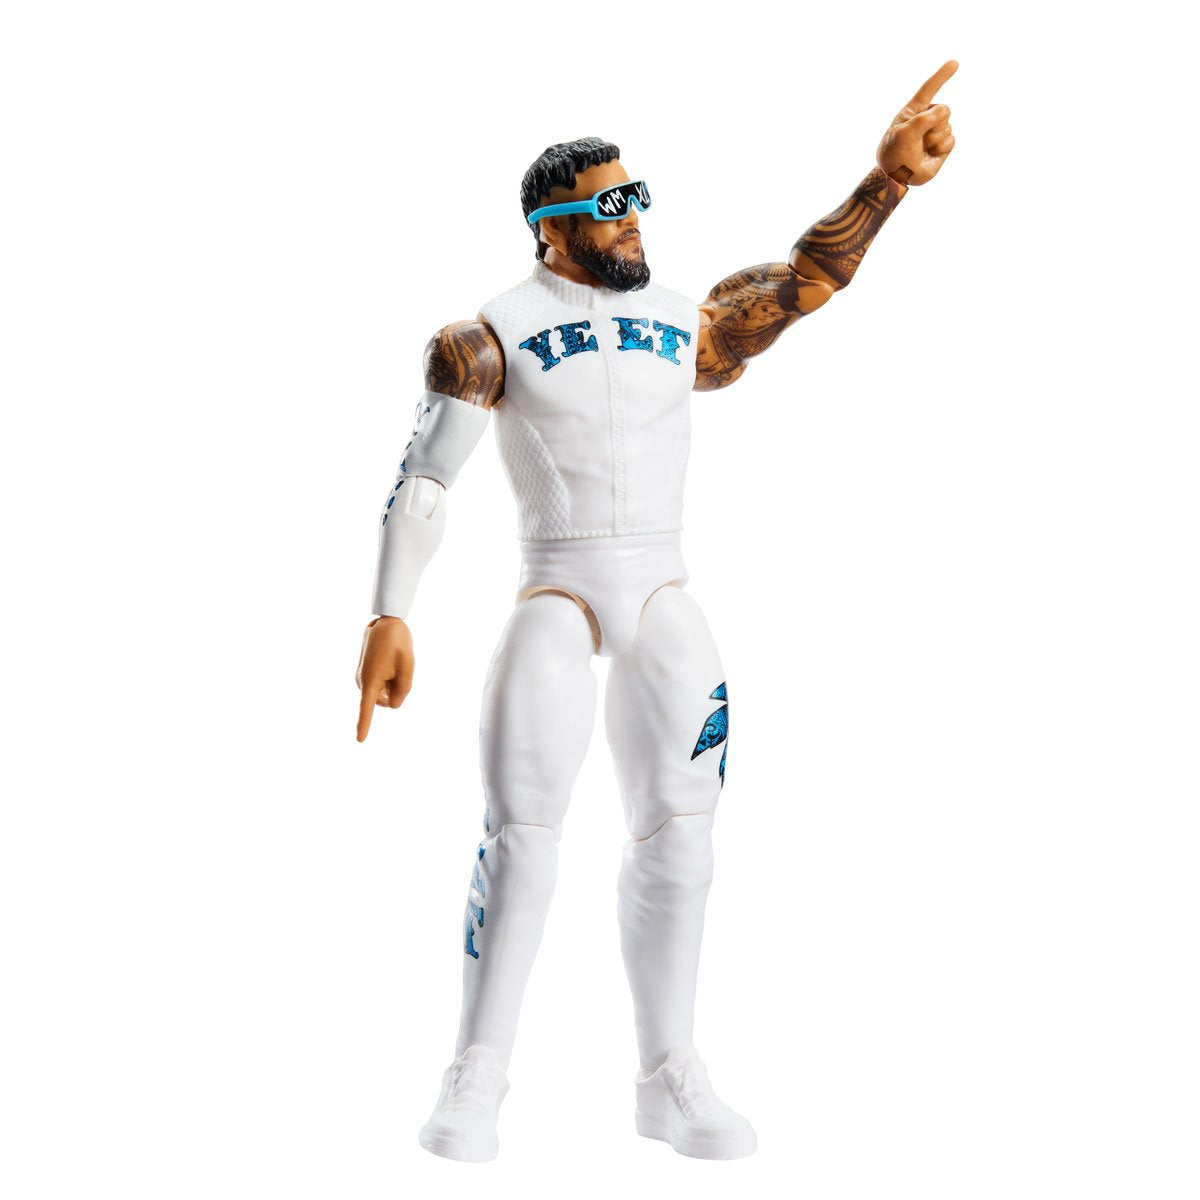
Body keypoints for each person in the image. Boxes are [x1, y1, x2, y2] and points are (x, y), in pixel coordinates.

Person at [356, 61, 958, 1162]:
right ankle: (478, 1070)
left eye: (637, 195)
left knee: (683, 832)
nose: (634, 217)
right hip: (554, 585)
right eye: (609, 205)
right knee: (522, 832)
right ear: (550, 229)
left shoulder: (684, 323)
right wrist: (390, 613)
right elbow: (426, 477)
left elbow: (803, 282)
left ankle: (669, 1072)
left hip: (662, 585)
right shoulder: (486, 336)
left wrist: (887, 183)